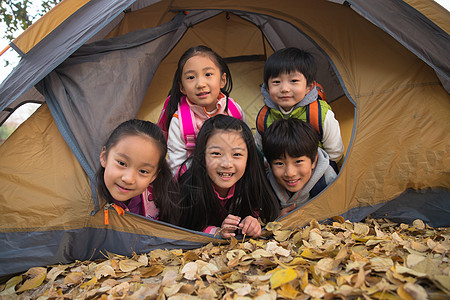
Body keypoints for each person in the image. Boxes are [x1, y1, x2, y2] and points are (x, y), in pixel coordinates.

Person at [176, 115, 280, 238]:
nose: (226, 164)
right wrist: (217, 231)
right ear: (202, 155)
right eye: (216, 153)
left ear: (248, 158)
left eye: (236, 154)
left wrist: (252, 223)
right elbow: (184, 227)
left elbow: (263, 213)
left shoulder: (252, 182)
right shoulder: (189, 184)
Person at [157, 45, 246, 175]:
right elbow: (176, 167)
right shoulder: (180, 122)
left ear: (222, 80)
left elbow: (247, 147)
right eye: (191, 77)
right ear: (182, 87)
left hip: (232, 176)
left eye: (208, 74)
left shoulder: (234, 111)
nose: (200, 84)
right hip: (194, 183)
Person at [255, 47, 344, 169]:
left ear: (309, 86)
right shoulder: (264, 117)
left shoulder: (320, 114)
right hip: (280, 175)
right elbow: (260, 152)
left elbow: (335, 154)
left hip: (318, 173)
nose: (285, 88)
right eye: (276, 82)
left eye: (294, 81)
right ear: (267, 87)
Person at [96, 119, 178, 223]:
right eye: (121, 163)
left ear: (154, 176)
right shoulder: (84, 200)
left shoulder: (160, 203)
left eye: (143, 171)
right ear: (104, 157)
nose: (129, 179)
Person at [262, 118, 337, 216]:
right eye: (279, 163)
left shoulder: (327, 180)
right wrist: (277, 219)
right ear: (270, 164)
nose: (290, 173)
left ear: (314, 160)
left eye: (298, 161)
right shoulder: (267, 185)